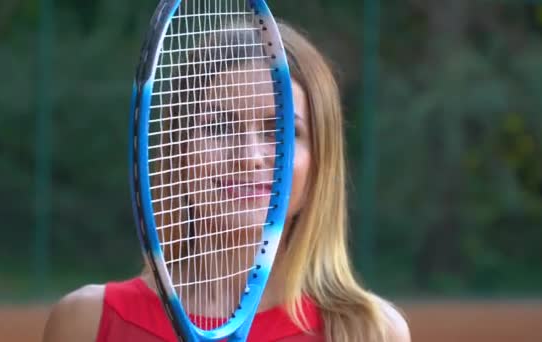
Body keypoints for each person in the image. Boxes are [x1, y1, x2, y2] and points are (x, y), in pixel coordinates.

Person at [42, 21, 411, 342]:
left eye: (280, 131)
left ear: (320, 160)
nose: (249, 156)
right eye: (220, 127)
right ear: (178, 149)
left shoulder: (372, 332)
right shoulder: (87, 323)